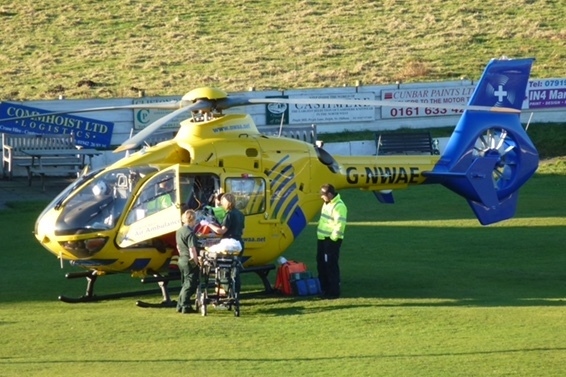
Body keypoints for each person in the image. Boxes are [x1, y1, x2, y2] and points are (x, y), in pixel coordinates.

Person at [316, 183, 347, 299]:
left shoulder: (339, 206)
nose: (321, 197)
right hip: (322, 239)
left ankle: (333, 291)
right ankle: (325, 289)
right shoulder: (327, 203)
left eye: (323, 195)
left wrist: (333, 239)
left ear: (329, 194)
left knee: (330, 265)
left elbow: (340, 224)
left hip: (331, 240)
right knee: (322, 264)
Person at [175, 209, 200, 314]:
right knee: (190, 284)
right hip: (188, 260)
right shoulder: (190, 233)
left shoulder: (179, 231)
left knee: (185, 283)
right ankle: (185, 306)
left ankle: (180, 305)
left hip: (181, 259)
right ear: (192, 220)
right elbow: (192, 249)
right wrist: (196, 262)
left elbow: (178, 247)